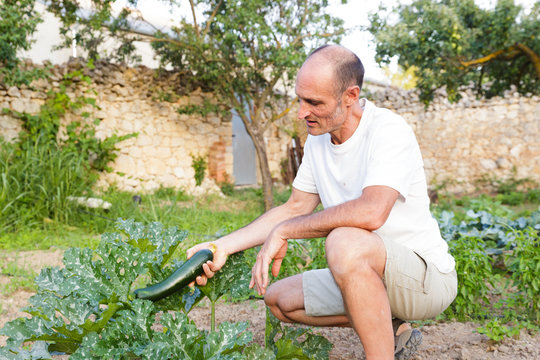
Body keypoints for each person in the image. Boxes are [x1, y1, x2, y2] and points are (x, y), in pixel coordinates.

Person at [187, 44, 457, 360]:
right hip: (370, 274)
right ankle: (394, 328)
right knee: (280, 300)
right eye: (300, 99)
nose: (302, 112)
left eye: (314, 102)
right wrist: (221, 247)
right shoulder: (318, 140)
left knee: (344, 241)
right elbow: (294, 207)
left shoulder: (388, 130)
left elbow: (371, 212)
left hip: (425, 280)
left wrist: (287, 231)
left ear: (350, 96)